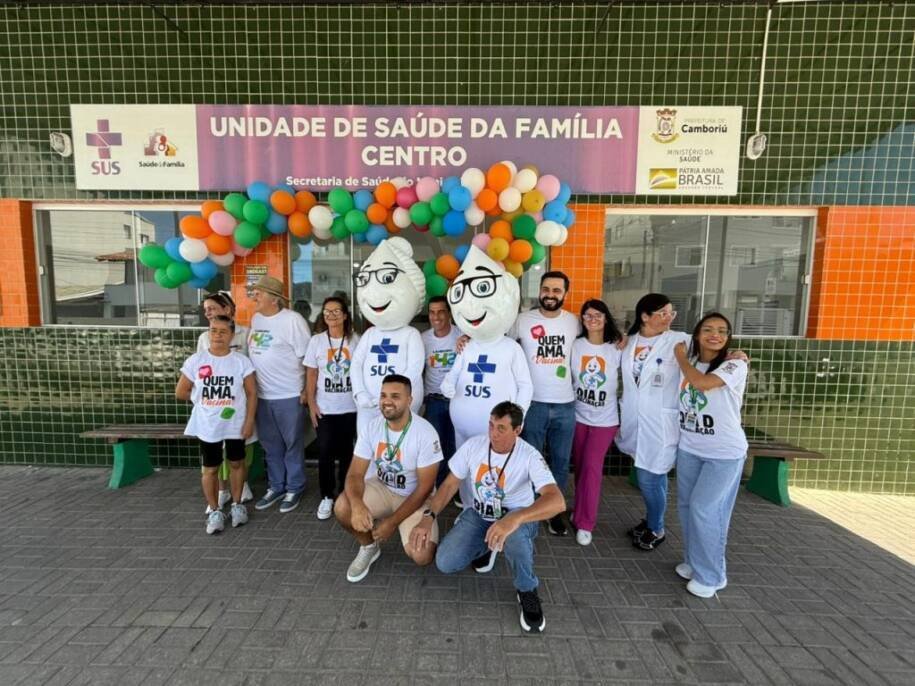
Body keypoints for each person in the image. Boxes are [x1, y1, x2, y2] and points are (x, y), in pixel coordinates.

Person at [410, 402, 565, 634]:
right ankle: (488, 545)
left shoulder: (529, 455)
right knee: (445, 562)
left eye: (501, 428)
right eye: (491, 425)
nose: (493, 433)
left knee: (515, 538)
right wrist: (429, 516)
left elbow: (557, 501)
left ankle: (527, 590)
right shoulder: (474, 446)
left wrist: (515, 518)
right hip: (480, 514)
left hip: (516, 518)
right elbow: (450, 484)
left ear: (517, 430)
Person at [441, 245, 532, 507]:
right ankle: (468, 508)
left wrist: (518, 416)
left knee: (492, 471)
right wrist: (448, 384)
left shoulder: (511, 348)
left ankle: (491, 510)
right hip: (462, 426)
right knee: (464, 469)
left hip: (496, 429)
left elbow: (525, 386)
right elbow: (454, 374)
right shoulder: (467, 346)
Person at [334, 374, 442, 583]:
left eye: (395, 396)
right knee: (342, 507)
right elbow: (355, 473)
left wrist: (391, 523)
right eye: (383, 395)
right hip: (383, 488)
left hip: (415, 496)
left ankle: (403, 524)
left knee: (422, 555)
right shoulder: (372, 427)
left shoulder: (425, 433)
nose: (387, 401)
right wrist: (357, 504)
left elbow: (424, 489)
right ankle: (369, 546)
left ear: (409, 400)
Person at [673, 313, 748, 598]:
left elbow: (702, 384)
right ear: (697, 334)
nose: (715, 335)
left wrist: (681, 359)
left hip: (724, 454)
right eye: (708, 329)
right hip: (690, 448)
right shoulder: (693, 359)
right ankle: (695, 562)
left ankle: (713, 575)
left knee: (706, 509)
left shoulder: (734, 364)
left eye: (721, 331)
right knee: (687, 507)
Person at [617, 293, 691, 551]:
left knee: (651, 478)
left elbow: (710, 349)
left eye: (671, 313)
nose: (669, 318)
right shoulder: (629, 341)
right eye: (663, 313)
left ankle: (657, 528)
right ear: (645, 317)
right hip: (635, 419)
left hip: (660, 422)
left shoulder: (679, 340)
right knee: (649, 475)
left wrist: (735, 354)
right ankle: (650, 520)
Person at [510, 270, 579, 536]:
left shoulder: (573, 322)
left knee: (560, 462)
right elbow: (498, 340)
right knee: (531, 461)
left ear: (565, 294)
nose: (550, 295)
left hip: (565, 404)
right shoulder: (522, 320)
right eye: (546, 289)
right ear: (539, 290)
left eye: (556, 290)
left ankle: (553, 512)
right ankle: (529, 510)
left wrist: (621, 339)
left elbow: (598, 337)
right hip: (533, 404)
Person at [176, 315, 257, 534]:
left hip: (235, 423)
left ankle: (237, 504)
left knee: (237, 463)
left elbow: (252, 393)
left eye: (223, 331)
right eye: (213, 330)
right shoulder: (196, 361)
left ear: (231, 335)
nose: (217, 335)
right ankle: (214, 510)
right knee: (210, 468)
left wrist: (249, 421)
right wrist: (201, 400)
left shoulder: (241, 361)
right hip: (209, 425)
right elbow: (181, 391)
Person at [247, 276, 312, 514]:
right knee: (270, 445)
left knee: (292, 444)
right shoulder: (256, 319)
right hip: (263, 396)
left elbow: (309, 358)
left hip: (289, 395)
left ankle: (294, 487)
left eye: (259, 293)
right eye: (254, 292)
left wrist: (306, 390)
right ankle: (276, 486)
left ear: (274, 299)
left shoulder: (293, 320)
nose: (254, 296)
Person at [351, 237, 426, 438]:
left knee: (400, 445)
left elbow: (414, 369)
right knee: (367, 445)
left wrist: (392, 397)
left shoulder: (411, 334)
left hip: (400, 407)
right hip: (368, 406)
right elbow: (356, 363)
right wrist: (360, 393)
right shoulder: (370, 334)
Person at [569, 299, 623, 546]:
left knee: (592, 468)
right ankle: (579, 510)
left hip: (605, 420)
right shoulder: (575, 345)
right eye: (588, 315)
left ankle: (585, 523)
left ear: (606, 318)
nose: (593, 319)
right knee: (581, 468)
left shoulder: (616, 347)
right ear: (582, 319)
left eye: (598, 315)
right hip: (578, 416)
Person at [303, 296, 360, 521]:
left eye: (336, 311)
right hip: (325, 408)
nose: (331, 315)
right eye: (327, 312)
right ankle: (327, 495)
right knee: (325, 452)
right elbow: (311, 373)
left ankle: (345, 493)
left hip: (351, 407)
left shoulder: (356, 340)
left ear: (345, 315)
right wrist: (311, 404)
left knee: (347, 453)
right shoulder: (316, 341)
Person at [196, 291, 254, 508]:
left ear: (228, 309)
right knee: (215, 449)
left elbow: (252, 366)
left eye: (212, 308)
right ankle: (222, 490)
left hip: (239, 402)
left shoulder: (246, 333)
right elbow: (199, 370)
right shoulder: (204, 337)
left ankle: (242, 484)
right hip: (215, 403)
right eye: (206, 310)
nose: (208, 313)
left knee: (242, 447)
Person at [421, 295, 459, 485]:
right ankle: (436, 487)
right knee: (434, 448)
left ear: (449, 314)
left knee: (455, 446)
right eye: (432, 312)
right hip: (434, 400)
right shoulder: (423, 339)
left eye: (441, 312)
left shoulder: (462, 336)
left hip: (458, 400)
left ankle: (453, 489)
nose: (436, 317)